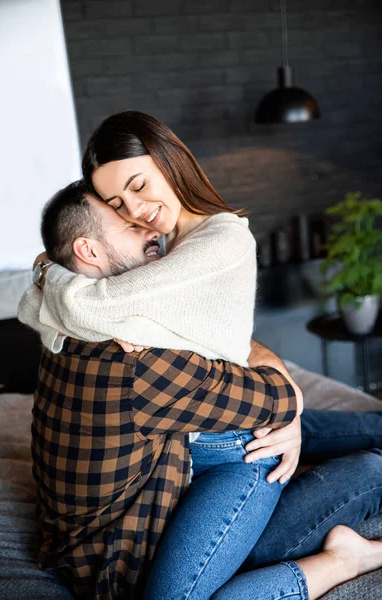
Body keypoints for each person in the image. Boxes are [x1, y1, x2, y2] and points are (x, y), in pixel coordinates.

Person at [19, 112, 382, 600]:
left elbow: (87, 304)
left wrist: (51, 276)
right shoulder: (160, 252)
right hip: (194, 427)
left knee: (284, 431)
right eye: (120, 208)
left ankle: (347, 536)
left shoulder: (217, 242)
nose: (139, 215)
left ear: (167, 159)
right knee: (297, 433)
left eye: (139, 185)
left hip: (221, 428)